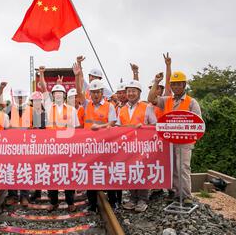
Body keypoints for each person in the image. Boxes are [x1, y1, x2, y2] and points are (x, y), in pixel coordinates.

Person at [148, 70, 202, 205]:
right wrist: (156, 82)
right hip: (169, 141)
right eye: (174, 84)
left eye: (179, 84)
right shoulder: (166, 101)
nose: (176, 87)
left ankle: (186, 196)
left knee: (183, 167)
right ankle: (175, 193)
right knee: (172, 167)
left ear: (184, 85)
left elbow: (198, 123)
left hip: (185, 142)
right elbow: (151, 99)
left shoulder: (191, 102)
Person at [74, 61, 117, 212]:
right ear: (90, 93)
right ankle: (92, 204)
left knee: (108, 172)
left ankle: (113, 202)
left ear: (102, 93)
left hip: (105, 145)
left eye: (98, 92)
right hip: (90, 145)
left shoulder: (109, 106)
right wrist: (78, 75)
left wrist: (100, 127)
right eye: (93, 92)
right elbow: (79, 92)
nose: (96, 94)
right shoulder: (87, 105)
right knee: (91, 173)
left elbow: (112, 122)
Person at [117, 80, 157, 212]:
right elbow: (117, 127)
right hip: (127, 146)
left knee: (142, 170)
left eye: (134, 91)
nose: (131, 93)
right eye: (129, 91)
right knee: (130, 171)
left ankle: (142, 199)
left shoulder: (147, 107)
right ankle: (133, 198)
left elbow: (155, 125)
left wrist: (144, 127)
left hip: (143, 145)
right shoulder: (122, 109)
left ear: (139, 93)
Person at [44, 83, 80, 212]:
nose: (58, 95)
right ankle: (53, 202)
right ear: (52, 96)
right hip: (52, 148)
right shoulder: (47, 110)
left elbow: (76, 129)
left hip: (67, 148)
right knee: (52, 175)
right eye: (55, 93)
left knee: (68, 174)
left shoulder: (72, 110)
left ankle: (70, 201)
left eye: (60, 93)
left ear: (64, 96)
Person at [0, 83, 32, 206]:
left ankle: (24, 196)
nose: (19, 99)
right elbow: (0, 105)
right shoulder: (9, 110)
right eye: (18, 97)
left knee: (24, 170)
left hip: (26, 146)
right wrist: (1, 90)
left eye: (22, 97)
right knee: (11, 170)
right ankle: (13, 195)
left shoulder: (32, 110)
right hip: (12, 147)